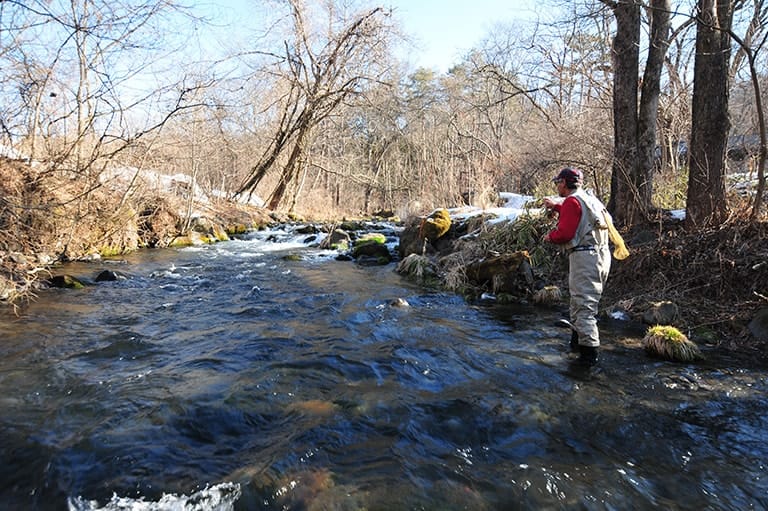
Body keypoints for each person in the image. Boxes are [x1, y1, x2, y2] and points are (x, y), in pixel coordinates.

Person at [542, 167, 611, 367]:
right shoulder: (589, 198)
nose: (556, 186)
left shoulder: (572, 201)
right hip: (600, 255)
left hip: (586, 258)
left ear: (564, 183)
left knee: (584, 310)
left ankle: (588, 362)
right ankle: (576, 347)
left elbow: (564, 233)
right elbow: (582, 218)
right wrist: (556, 206)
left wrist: (550, 237)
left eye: (557, 182)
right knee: (580, 305)